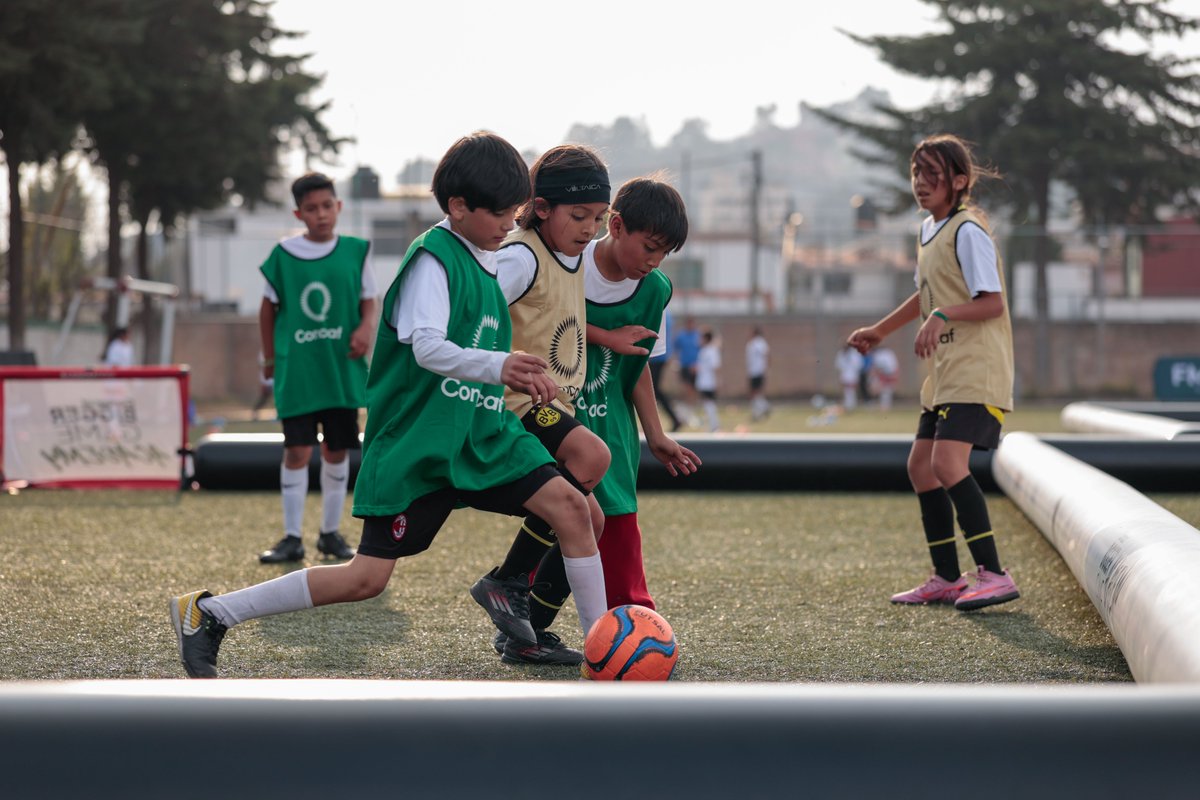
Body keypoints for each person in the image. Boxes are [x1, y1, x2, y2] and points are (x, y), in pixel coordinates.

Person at [170, 130, 609, 678]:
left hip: (482, 436)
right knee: (364, 579)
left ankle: (602, 653)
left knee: (579, 510)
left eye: (515, 212)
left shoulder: (489, 261)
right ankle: (210, 613)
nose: (509, 224)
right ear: (458, 207)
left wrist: (510, 367)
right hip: (419, 446)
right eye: (500, 213)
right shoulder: (433, 260)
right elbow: (426, 348)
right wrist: (501, 365)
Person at [847, 133, 1019, 611]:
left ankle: (993, 573)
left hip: (976, 369)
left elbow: (993, 303)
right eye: (916, 173)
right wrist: (880, 330)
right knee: (921, 468)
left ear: (959, 182)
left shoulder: (968, 230)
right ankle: (947, 576)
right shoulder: (929, 230)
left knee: (947, 465)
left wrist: (942, 315)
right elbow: (925, 298)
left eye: (933, 175)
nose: (921, 183)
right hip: (945, 372)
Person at [477, 143, 613, 666]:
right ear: (540, 208)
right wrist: (492, 364)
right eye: (579, 216)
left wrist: (610, 337)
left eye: (598, 218)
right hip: (513, 404)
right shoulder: (519, 255)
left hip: (552, 406)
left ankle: (526, 633)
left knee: (590, 523)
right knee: (593, 457)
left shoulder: (571, 254)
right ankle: (507, 579)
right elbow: (477, 318)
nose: (588, 228)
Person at [578, 176, 700, 613]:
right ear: (615, 225)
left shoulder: (656, 291)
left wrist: (656, 434)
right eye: (649, 247)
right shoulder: (566, 265)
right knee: (559, 516)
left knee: (618, 518)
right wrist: (605, 336)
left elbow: (638, 366)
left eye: (664, 253)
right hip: (553, 414)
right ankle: (524, 613)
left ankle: (632, 619)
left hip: (610, 422)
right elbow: (537, 322)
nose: (655, 261)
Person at [255, 172, 378, 564]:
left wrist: (363, 329)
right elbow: (266, 309)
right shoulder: (283, 255)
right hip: (300, 373)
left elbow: (369, 300)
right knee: (296, 451)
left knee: (337, 451)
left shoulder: (356, 251)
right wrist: (269, 358)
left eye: (327, 206)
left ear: (338, 207)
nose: (321, 214)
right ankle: (291, 537)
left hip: (340, 370)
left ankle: (330, 534)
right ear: (298, 212)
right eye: (312, 208)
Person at [648, 308, 683, 432]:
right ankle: (674, 419)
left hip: (656, 355)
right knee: (653, 389)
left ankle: (673, 419)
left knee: (651, 390)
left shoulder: (658, 307)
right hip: (661, 355)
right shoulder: (666, 311)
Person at [672, 315, 702, 424]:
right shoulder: (681, 336)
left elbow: (701, 350)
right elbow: (675, 348)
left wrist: (698, 364)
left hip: (694, 367)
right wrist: (676, 362)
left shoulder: (698, 335)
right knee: (686, 388)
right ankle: (685, 410)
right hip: (684, 366)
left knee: (692, 389)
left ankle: (691, 410)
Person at [695, 328, 721, 432]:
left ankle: (714, 425)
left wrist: (718, 381)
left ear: (706, 338)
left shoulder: (712, 351)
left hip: (709, 382)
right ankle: (712, 424)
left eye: (701, 338)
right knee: (707, 403)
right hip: (703, 382)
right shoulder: (704, 351)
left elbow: (716, 367)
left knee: (709, 403)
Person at [746, 326, 770, 421]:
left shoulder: (760, 343)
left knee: (755, 392)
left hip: (758, 371)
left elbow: (767, 355)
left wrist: (766, 368)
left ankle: (759, 410)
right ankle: (763, 407)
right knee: (755, 392)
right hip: (753, 371)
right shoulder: (751, 344)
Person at [870, 345, 900, 411]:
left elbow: (881, 367)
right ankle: (883, 405)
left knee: (886, 391)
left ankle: (885, 406)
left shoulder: (879, 355)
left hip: (887, 374)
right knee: (884, 391)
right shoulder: (887, 354)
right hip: (885, 374)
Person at [835, 344, 863, 411]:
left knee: (852, 390)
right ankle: (847, 405)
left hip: (853, 375)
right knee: (846, 391)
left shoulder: (854, 354)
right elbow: (838, 364)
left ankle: (852, 405)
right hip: (844, 375)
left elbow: (858, 364)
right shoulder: (841, 353)